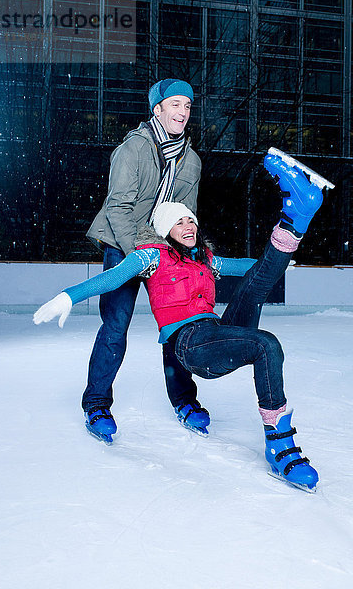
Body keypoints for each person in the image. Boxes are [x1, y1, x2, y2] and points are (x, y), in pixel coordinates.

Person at [34, 148, 333, 492]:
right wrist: (68, 295)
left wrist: (275, 262)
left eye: (190, 219)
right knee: (267, 343)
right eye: (179, 221)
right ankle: (280, 446)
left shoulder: (205, 259)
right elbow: (113, 278)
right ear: (165, 229)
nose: (188, 225)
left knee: (256, 286)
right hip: (190, 345)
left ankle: (295, 217)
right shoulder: (151, 258)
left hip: (217, 332)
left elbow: (246, 270)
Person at [82, 78, 202, 444]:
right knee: (116, 324)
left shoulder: (191, 161)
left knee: (178, 323)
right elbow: (118, 207)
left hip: (162, 247)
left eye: (187, 106)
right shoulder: (132, 150)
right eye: (175, 104)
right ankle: (97, 402)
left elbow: (185, 213)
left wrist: (186, 253)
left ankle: (185, 400)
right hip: (123, 243)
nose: (182, 112)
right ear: (158, 109)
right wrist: (137, 251)